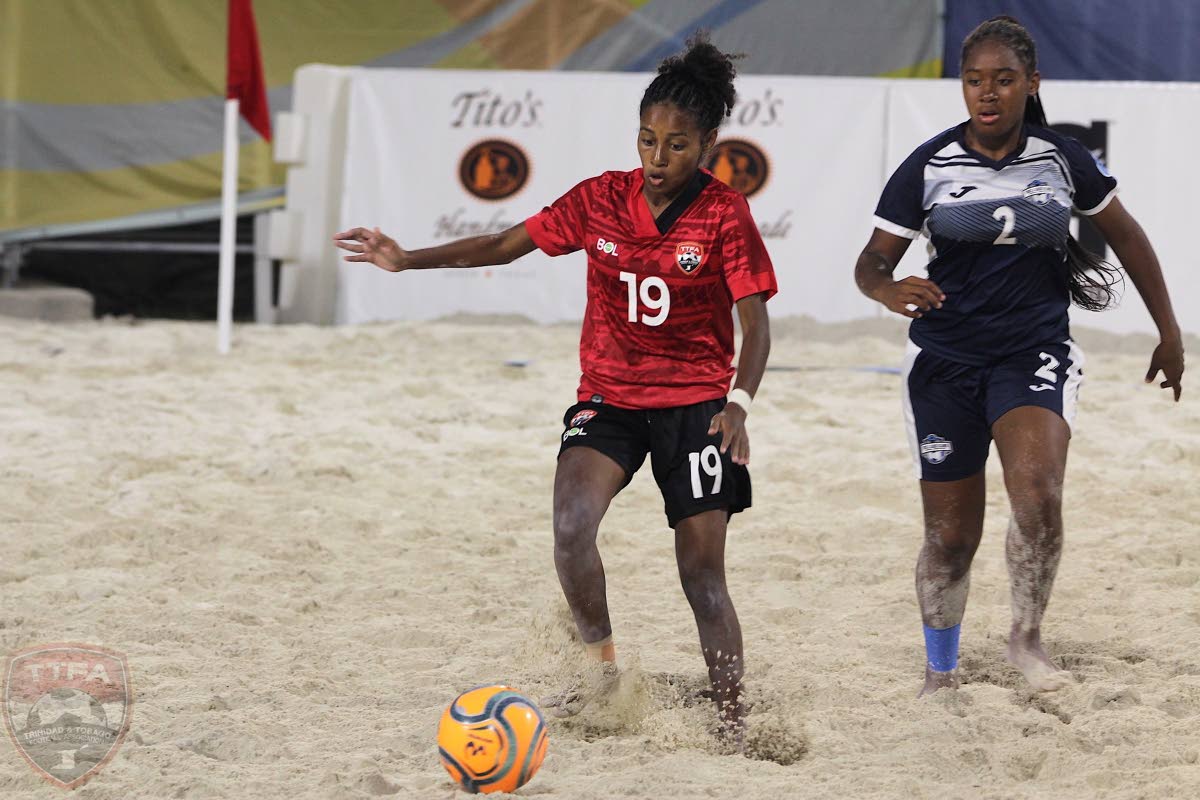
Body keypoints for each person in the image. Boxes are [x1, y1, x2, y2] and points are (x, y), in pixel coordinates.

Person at [334, 32, 776, 738]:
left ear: (708, 143)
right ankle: (603, 677)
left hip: (696, 405)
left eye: (678, 145)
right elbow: (506, 243)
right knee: (571, 527)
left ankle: (733, 716)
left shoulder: (724, 214)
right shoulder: (601, 199)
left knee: (701, 575)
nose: (659, 159)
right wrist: (407, 259)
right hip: (610, 398)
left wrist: (739, 404)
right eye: (648, 140)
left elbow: (756, 325)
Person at [854, 16, 1184, 696]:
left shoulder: (1063, 158)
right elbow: (870, 262)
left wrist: (1169, 331)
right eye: (975, 80)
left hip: (1033, 351)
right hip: (944, 363)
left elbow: (1127, 237)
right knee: (950, 538)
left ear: (1032, 84)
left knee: (1038, 496)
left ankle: (1025, 639)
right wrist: (888, 289)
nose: (988, 93)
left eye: (1004, 79)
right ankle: (939, 671)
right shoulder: (929, 163)